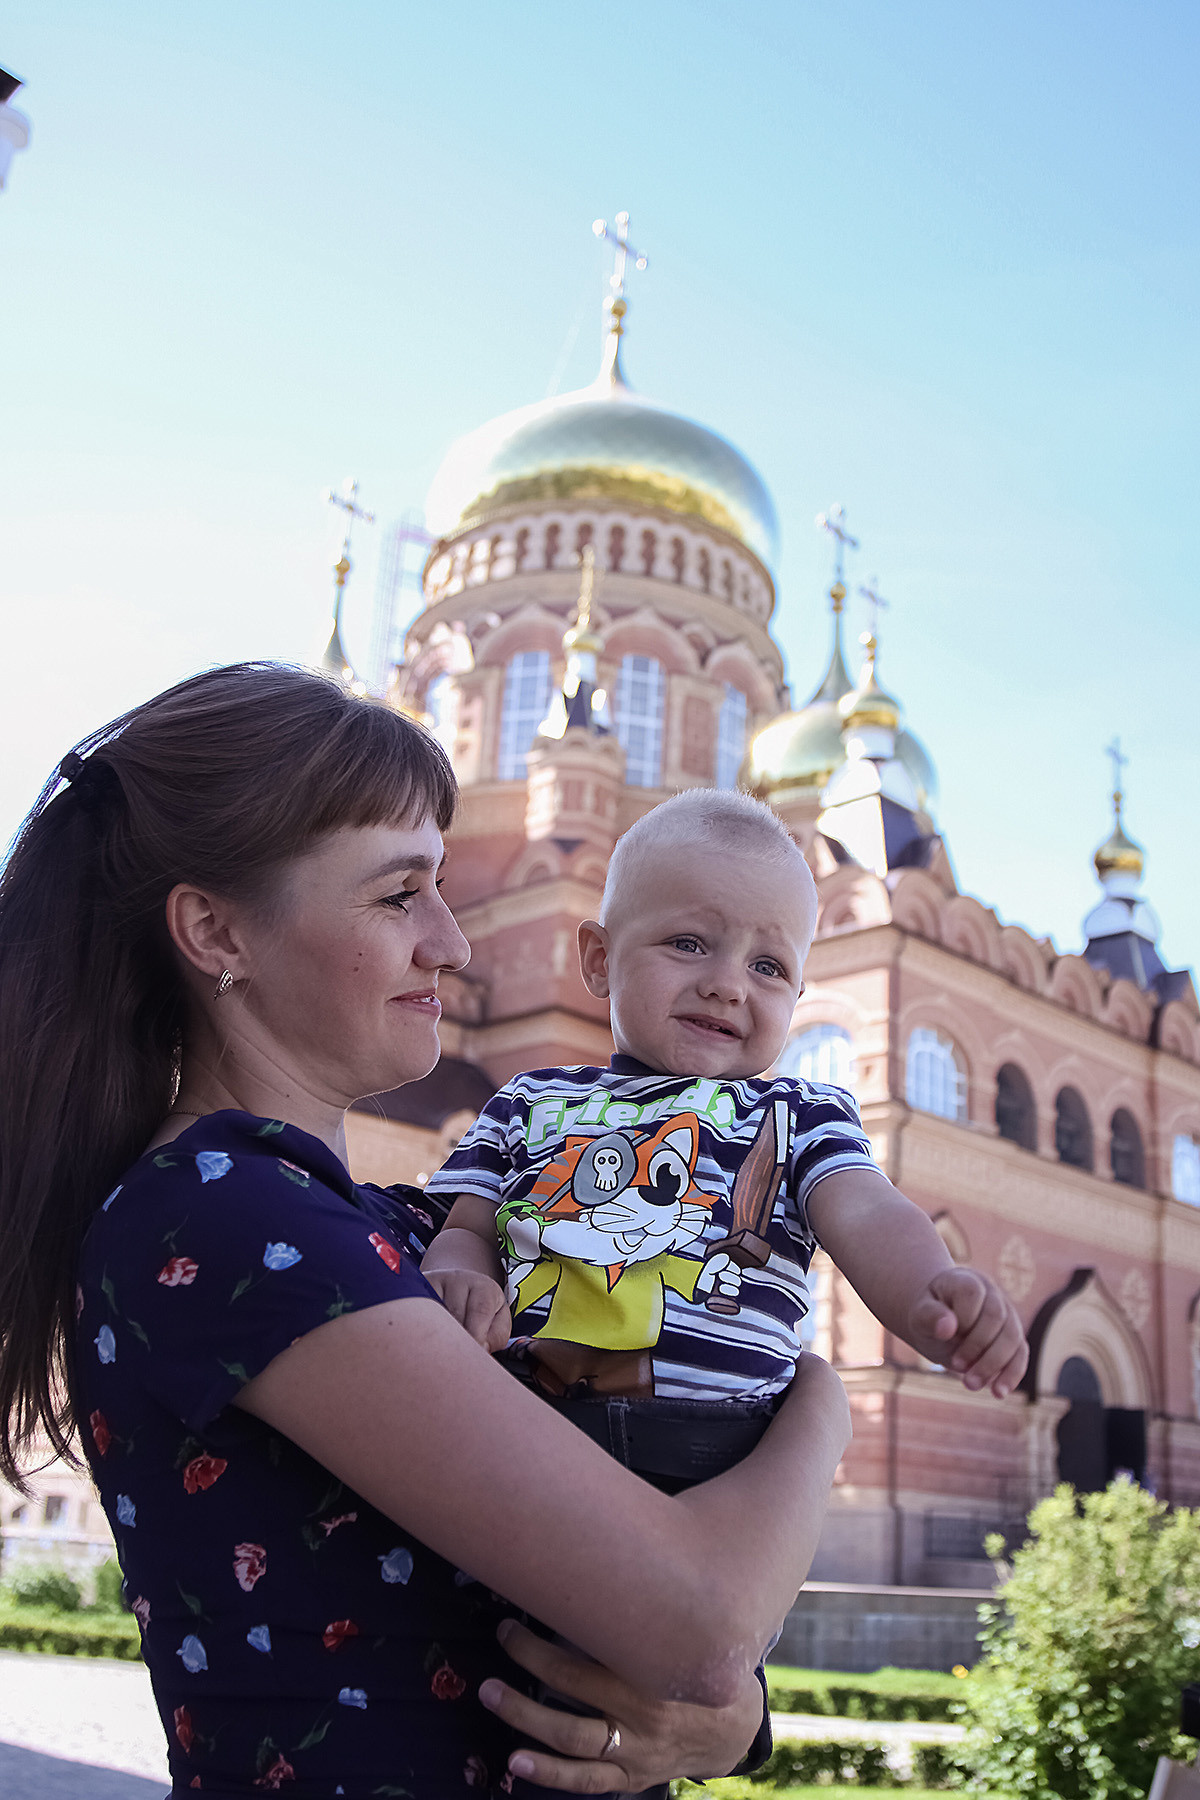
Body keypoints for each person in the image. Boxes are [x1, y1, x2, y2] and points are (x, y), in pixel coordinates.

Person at [0, 664, 854, 1800]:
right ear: (215, 931)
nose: (453, 942)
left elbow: (650, 1615)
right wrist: (823, 1404)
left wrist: (729, 1726)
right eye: (401, 895)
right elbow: (696, 1625)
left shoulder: (401, 1230)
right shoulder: (221, 1211)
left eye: (445, 888)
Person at [421, 790, 1028, 1492]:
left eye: (769, 966)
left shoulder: (798, 1115)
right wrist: (464, 1276)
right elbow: (467, 1226)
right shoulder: (528, 1102)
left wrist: (929, 1290)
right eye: (689, 943)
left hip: (722, 1453)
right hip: (534, 1423)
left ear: (798, 996)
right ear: (599, 958)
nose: (728, 985)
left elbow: (867, 1213)